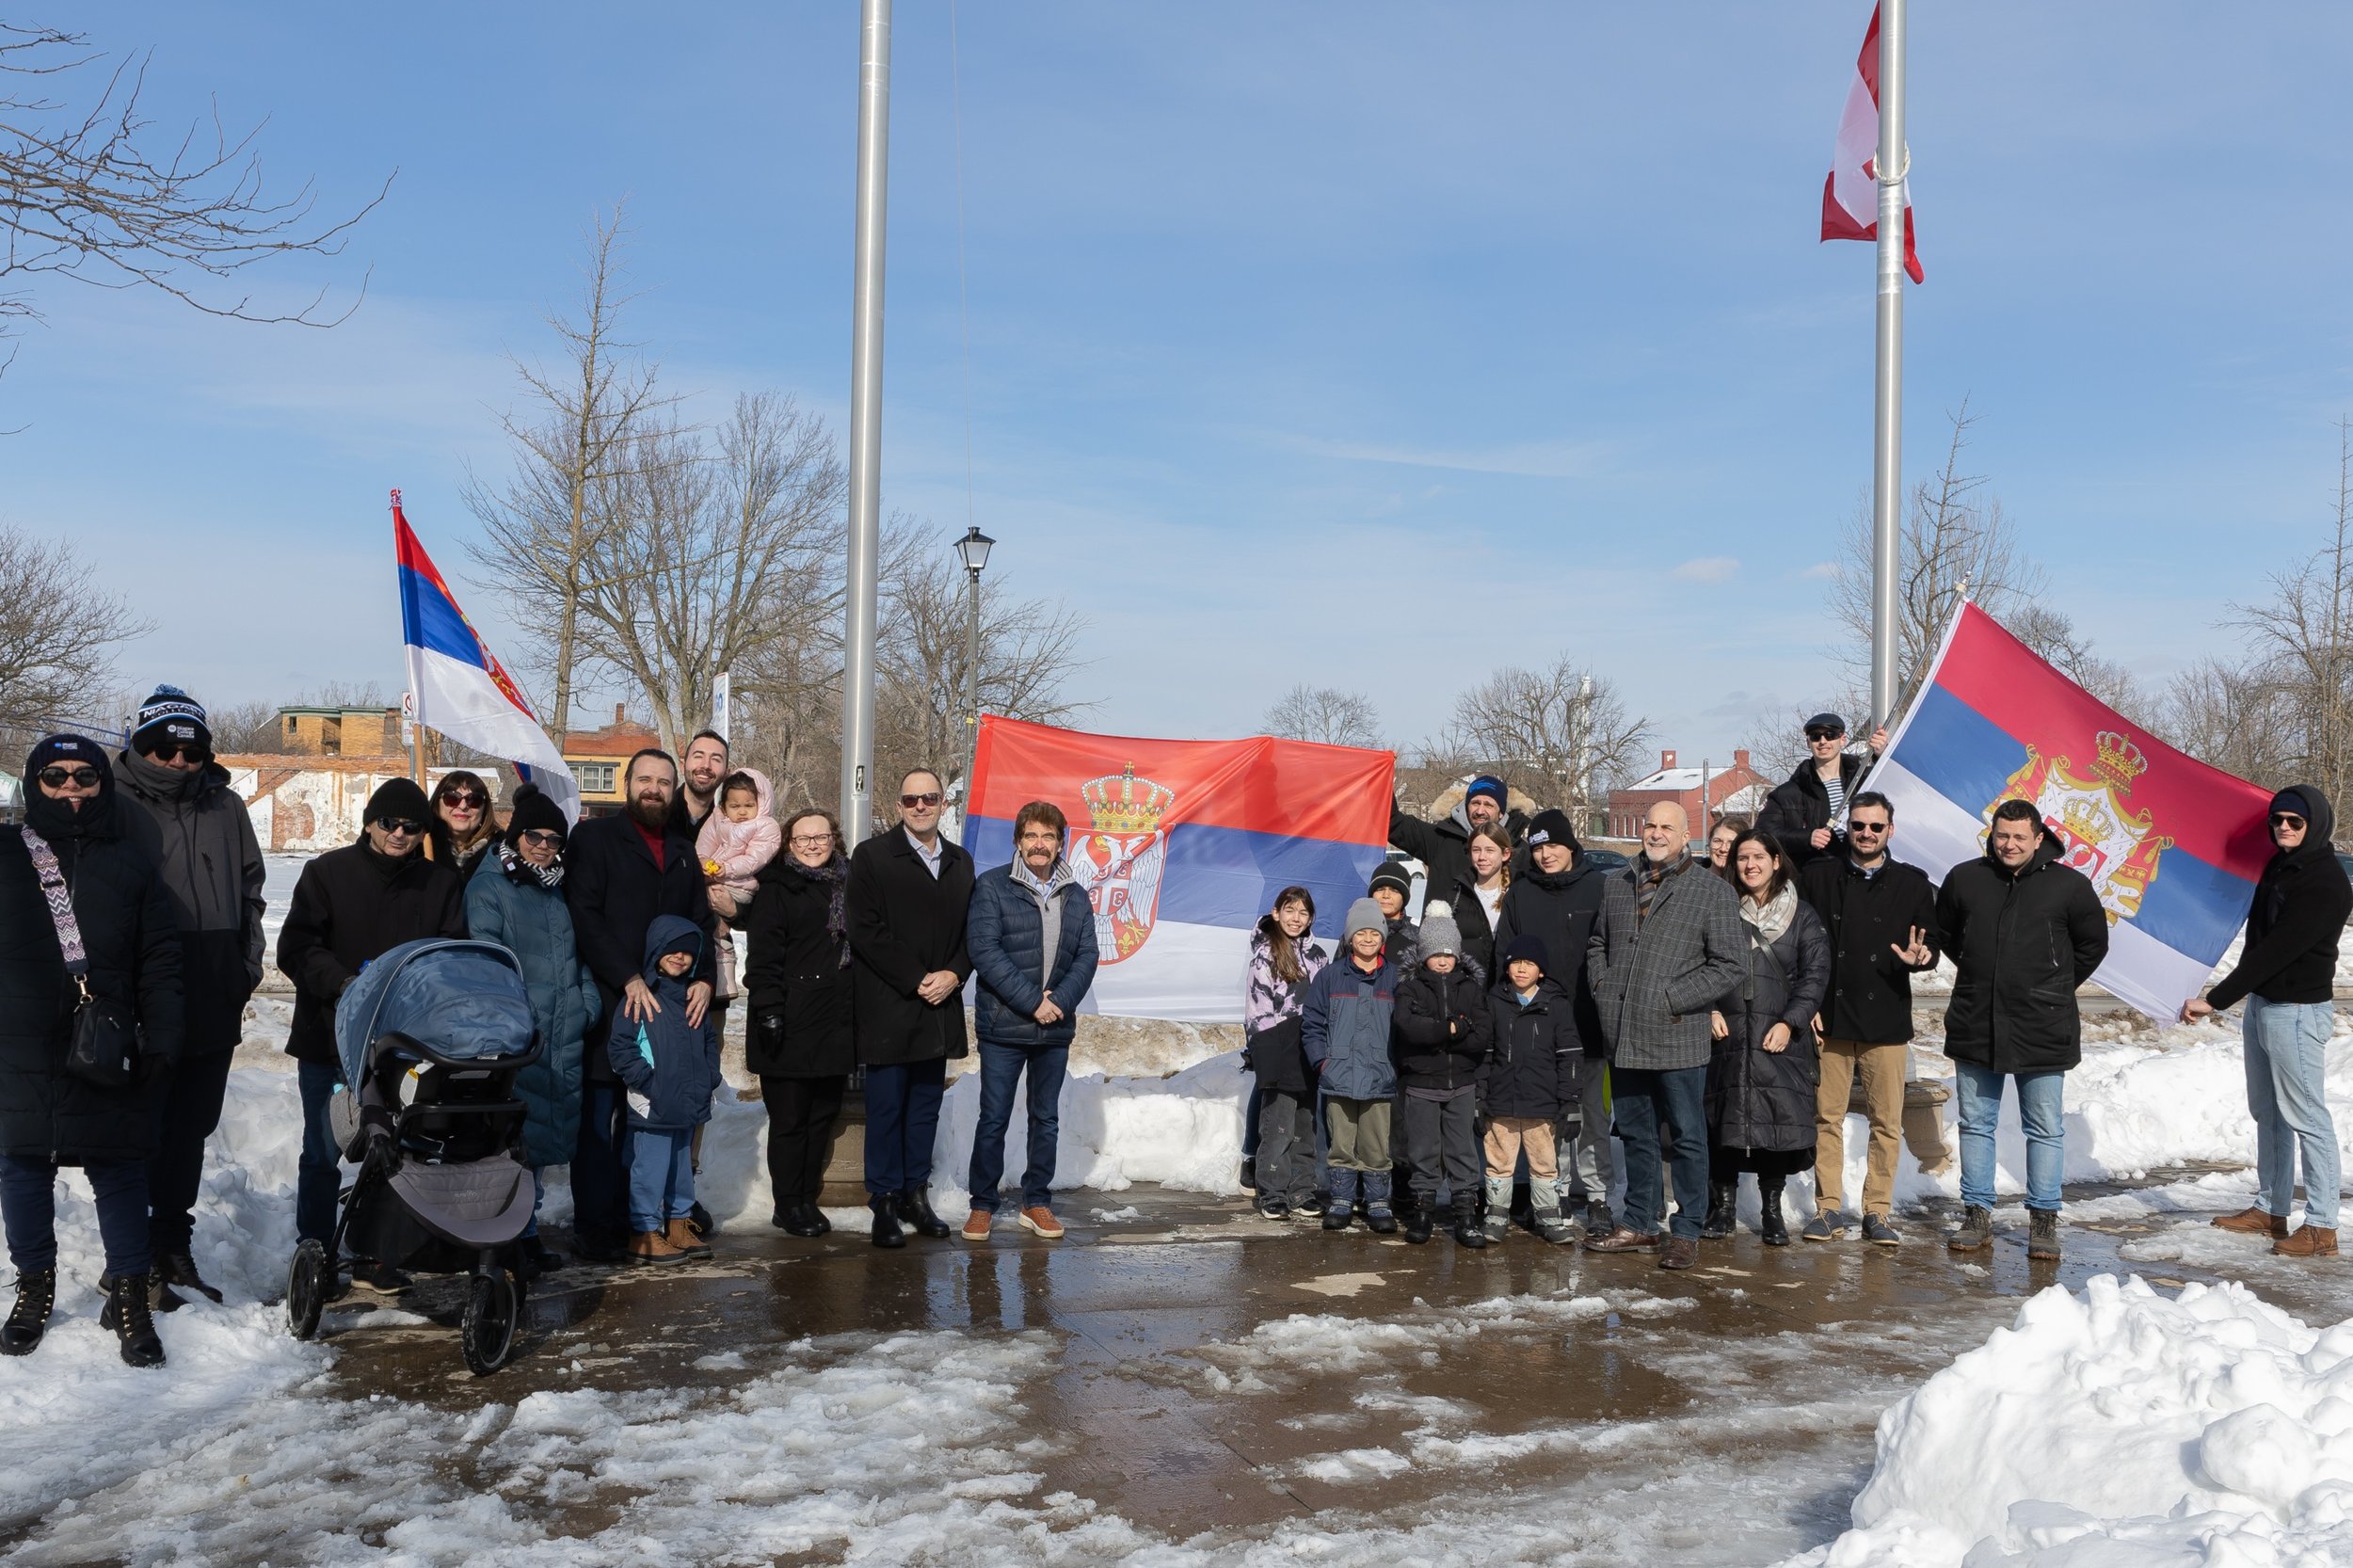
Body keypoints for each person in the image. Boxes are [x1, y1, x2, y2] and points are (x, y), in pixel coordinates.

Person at [0, 736, 183, 1367]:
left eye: (84, 776)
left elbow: (160, 960)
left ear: (103, 785)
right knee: (23, 1166)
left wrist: (162, 1037)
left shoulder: (132, 865)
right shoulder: (3, 856)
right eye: (55, 776)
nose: (70, 787)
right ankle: (33, 1289)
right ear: (35, 783)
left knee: (118, 1167)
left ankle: (130, 1295)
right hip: (17, 1039)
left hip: (105, 1040)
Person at [278, 775, 466, 1291]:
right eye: (389, 823)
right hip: (329, 1040)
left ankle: (379, 1251)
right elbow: (295, 947)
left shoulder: (439, 884)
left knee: (395, 1149)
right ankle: (313, 1247)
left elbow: (448, 955)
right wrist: (344, 984)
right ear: (369, 822)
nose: (399, 834)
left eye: (411, 826)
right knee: (323, 1148)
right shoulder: (326, 873)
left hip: (402, 1047)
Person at [112, 685, 264, 1306]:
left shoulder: (225, 807)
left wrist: (243, 966)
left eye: (191, 753)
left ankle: (173, 1245)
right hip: (144, 987)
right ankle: (131, 1256)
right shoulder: (113, 802)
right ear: (140, 745)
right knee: (139, 1124)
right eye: (163, 749)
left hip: (213, 989)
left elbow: (252, 887)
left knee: (190, 1128)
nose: (177, 763)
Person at [2184, 786, 2351, 1259]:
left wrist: (2215, 1000)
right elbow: (2257, 940)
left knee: (2308, 1117)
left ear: (2315, 824)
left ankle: (2322, 1226)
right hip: (2264, 1005)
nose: (2283, 828)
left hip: (2296, 1012)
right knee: (2268, 1112)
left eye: (2294, 822)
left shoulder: (2326, 882)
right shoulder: (2280, 865)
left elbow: (2281, 948)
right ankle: (2272, 1209)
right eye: (2277, 819)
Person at [1938, 799, 2108, 1260]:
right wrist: (1982, 974)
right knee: (1976, 1124)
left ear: (2038, 839)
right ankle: (1976, 1214)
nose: (2009, 844)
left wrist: (2054, 985)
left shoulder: (2069, 886)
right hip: (1976, 1019)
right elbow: (1950, 936)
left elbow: (2093, 945)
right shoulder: (1966, 879)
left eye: (2019, 836)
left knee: (2045, 1128)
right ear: (1991, 836)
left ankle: (2044, 1220)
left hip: (2044, 1024)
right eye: (2001, 835)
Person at [566, 750, 716, 1263]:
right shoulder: (594, 838)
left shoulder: (681, 847)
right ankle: (597, 1224)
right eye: (645, 780)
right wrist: (626, 975)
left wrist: (705, 978)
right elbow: (584, 914)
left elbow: (699, 921)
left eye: (664, 782)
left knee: (656, 1124)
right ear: (627, 784)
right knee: (602, 1121)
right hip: (611, 998)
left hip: (670, 1008)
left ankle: (651, 1220)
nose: (654, 789)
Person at [1585, 802, 1744, 1270]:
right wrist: (1603, 985)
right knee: (1635, 1132)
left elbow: (1731, 964)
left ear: (1685, 835)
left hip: (1677, 1033)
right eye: (1650, 825)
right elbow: (1598, 943)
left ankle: (1687, 1229)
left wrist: (1674, 998)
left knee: (1688, 1135)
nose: (1655, 833)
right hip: (1624, 1030)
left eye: (1666, 827)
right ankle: (1639, 1222)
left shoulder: (1710, 891)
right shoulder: (1617, 883)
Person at [463, 783, 599, 1277]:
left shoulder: (557, 886)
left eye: (553, 839)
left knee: (537, 1143)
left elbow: (578, 953)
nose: (543, 846)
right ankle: (505, 1235)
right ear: (517, 836)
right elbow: (487, 959)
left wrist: (586, 1004)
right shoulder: (490, 886)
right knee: (511, 1141)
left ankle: (528, 1229)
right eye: (534, 836)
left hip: (562, 1031)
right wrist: (512, 1020)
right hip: (518, 1037)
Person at [1795, 790, 1941, 1245]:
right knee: (1826, 1118)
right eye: (1858, 825)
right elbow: (1799, 942)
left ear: (1890, 830)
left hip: (1886, 1018)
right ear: (1849, 827)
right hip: (1830, 1018)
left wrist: (1922, 956)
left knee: (1886, 1121)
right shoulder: (1819, 875)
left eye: (1876, 826)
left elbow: (1931, 944)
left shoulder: (1913, 882)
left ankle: (1878, 1211)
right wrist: (1809, 1003)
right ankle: (1828, 1209)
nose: (1866, 833)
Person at [962, 800, 1102, 1241]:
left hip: (1054, 1028)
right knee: (994, 1118)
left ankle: (1036, 1201)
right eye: (1031, 836)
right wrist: (1031, 1002)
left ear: (1061, 843)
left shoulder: (1076, 894)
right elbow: (985, 950)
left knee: (1046, 1119)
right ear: (1018, 841)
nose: (1039, 845)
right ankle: (982, 1205)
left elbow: (1087, 955)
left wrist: (1058, 1002)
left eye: (1048, 836)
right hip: (1005, 1025)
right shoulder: (992, 886)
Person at [848, 768, 974, 1249]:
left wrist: (955, 973)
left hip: (940, 1004)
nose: (920, 806)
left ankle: (913, 1195)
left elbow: (972, 934)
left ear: (943, 803)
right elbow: (865, 929)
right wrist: (916, 977)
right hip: (890, 1003)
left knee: (924, 1109)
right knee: (885, 1109)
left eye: (929, 798)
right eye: (910, 799)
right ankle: (882, 1200)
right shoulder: (874, 856)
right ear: (898, 805)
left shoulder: (961, 862)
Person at [1702, 829, 1830, 1248]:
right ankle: (1721, 1207)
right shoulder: (1719, 909)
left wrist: (1792, 1021)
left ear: (1777, 860)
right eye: (1742, 858)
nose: (1750, 865)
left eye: (1758, 856)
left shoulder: (1803, 916)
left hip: (1779, 1036)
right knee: (1723, 1119)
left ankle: (1771, 1211)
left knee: (1775, 1124)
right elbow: (1696, 963)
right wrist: (1710, 1009)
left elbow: (1814, 976)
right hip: (1728, 1033)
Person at [1494, 808, 1614, 1236]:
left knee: (1593, 1115)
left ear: (1571, 846)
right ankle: (1556, 1189)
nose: (1545, 855)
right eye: (1538, 847)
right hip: (1537, 1028)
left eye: (1553, 846)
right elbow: (1503, 956)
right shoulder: (1522, 892)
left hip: (1591, 1024)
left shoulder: (1600, 887)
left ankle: (1598, 1196)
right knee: (1551, 1117)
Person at [744, 808, 856, 1238]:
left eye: (821, 837)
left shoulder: (848, 884)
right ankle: (787, 1203)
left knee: (821, 1116)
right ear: (789, 844)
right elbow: (764, 958)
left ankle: (807, 1197)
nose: (813, 845)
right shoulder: (776, 888)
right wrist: (770, 1009)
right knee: (790, 1120)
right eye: (802, 838)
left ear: (835, 840)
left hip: (833, 1020)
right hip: (788, 1022)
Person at [609, 917, 719, 1265]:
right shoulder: (641, 998)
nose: (680, 957)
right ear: (656, 951)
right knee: (650, 1168)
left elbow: (709, 1042)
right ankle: (643, 1231)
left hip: (688, 1099)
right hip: (653, 1103)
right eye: (673, 950)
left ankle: (678, 1224)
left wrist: (708, 1077)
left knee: (681, 1166)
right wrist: (649, 1082)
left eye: (688, 952)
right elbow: (622, 1047)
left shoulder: (692, 999)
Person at [1390, 904, 1490, 1246]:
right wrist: (1451, 1028)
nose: (1443, 960)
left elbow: (1481, 1035)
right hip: (1421, 1084)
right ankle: (1423, 1211)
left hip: (1461, 1083)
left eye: (1449, 953)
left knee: (1463, 1150)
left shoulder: (1471, 988)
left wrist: (1441, 1034)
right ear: (1423, 956)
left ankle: (1465, 1214)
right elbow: (1407, 1028)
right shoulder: (1410, 987)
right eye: (1436, 953)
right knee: (1424, 1150)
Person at [1301, 898, 1400, 1233]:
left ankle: (1377, 1202)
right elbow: (1312, 1023)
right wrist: (1322, 1061)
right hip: (1338, 1074)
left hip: (1379, 1076)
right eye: (1361, 933)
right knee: (1341, 1143)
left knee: (1376, 1144)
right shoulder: (1330, 976)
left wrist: (1396, 1065)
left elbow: (1405, 1026)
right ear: (1349, 937)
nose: (1368, 939)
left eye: (1374, 932)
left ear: (1383, 937)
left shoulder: (1395, 978)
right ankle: (1341, 1200)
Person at [1480, 934, 1580, 1246]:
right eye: (1516, 963)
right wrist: (1479, 1095)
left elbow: (1570, 1056)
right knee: (1499, 1162)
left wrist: (1572, 1101)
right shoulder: (1493, 1002)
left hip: (1541, 1104)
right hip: (1501, 1103)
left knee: (1544, 1163)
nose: (1521, 969)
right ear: (1507, 968)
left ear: (1541, 971)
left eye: (1529, 964)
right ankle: (1495, 1215)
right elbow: (1484, 1053)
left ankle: (1548, 1217)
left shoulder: (1556, 1006)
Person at [1243, 887, 1328, 1221]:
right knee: (1277, 1125)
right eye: (1289, 911)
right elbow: (1257, 1011)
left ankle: (1302, 1190)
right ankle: (1272, 1191)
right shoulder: (1265, 955)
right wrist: (1265, 1055)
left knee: (1306, 1126)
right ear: (1276, 913)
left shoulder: (1319, 956)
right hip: (1278, 1047)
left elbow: (1323, 1005)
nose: (1296, 918)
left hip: (1308, 1047)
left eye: (1303, 913)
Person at [1757, 715, 1888, 872]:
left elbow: (1900, 793)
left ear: (1842, 739)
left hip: (1865, 878)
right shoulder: (1788, 793)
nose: (1823, 741)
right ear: (1808, 742)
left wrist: (1884, 755)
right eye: (1815, 736)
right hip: (1816, 880)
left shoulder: (1865, 782)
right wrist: (1806, 837)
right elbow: (1762, 834)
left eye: (1830, 735)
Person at [697, 767, 781, 1006]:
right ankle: (710, 961)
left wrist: (725, 868)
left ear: (760, 803)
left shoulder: (766, 827)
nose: (742, 812)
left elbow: (755, 858)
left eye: (749, 805)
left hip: (741, 885)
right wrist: (704, 863)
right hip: (713, 879)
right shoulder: (717, 820)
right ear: (724, 806)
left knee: (714, 919)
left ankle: (724, 960)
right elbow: (703, 845)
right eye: (735, 807)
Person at [1387, 775, 1527, 918]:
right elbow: (1393, 823)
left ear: (1501, 813)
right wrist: (1385, 776)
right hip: (1443, 936)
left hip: (1500, 938)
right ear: (1466, 807)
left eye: (1488, 805)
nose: (1480, 811)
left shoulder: (1520, 850)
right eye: (1475, 803)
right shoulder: (1440, 838)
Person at [1444, 823, 1510, 979]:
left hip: (1505, 988)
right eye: (1476, 850)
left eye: (1490, 850)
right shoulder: (1457, 895)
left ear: (1505, 854)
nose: (1482, 857)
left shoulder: (1518, 893)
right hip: (1466, 987)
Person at [427, 770, 502, 887]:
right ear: (437, 804)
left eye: (474, 800)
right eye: (452, 798)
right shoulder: (419, 848)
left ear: (485, 808)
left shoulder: (501, 855)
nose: (463, 806)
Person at [669, 730, 731, 840]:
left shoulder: (727, 828)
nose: (706, 765)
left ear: (726, 774)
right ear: (682, 766)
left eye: (716, 759)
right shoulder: (657, 816)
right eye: (698, 756)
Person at [1368, 860, 1421, 968]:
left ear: (1405, 897)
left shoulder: (1418, 935)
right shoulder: (1356, 931)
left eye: (1394, 891)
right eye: (1380, 889)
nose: (1386, 895)